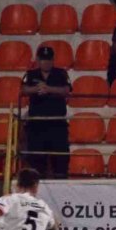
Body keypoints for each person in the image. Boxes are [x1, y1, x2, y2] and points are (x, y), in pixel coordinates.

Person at [21, 46, 72, 179]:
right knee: (36, 161)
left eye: (49, 60)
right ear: (38, 60)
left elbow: (67, 90)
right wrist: (37, 89)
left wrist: (48, 89)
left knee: (61, 161)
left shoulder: (61, 73)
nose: (46, 62)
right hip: (37, 126)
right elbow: (24, 90)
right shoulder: (31, 74)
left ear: (53, 60)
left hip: (57, 125)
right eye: (43, 60)